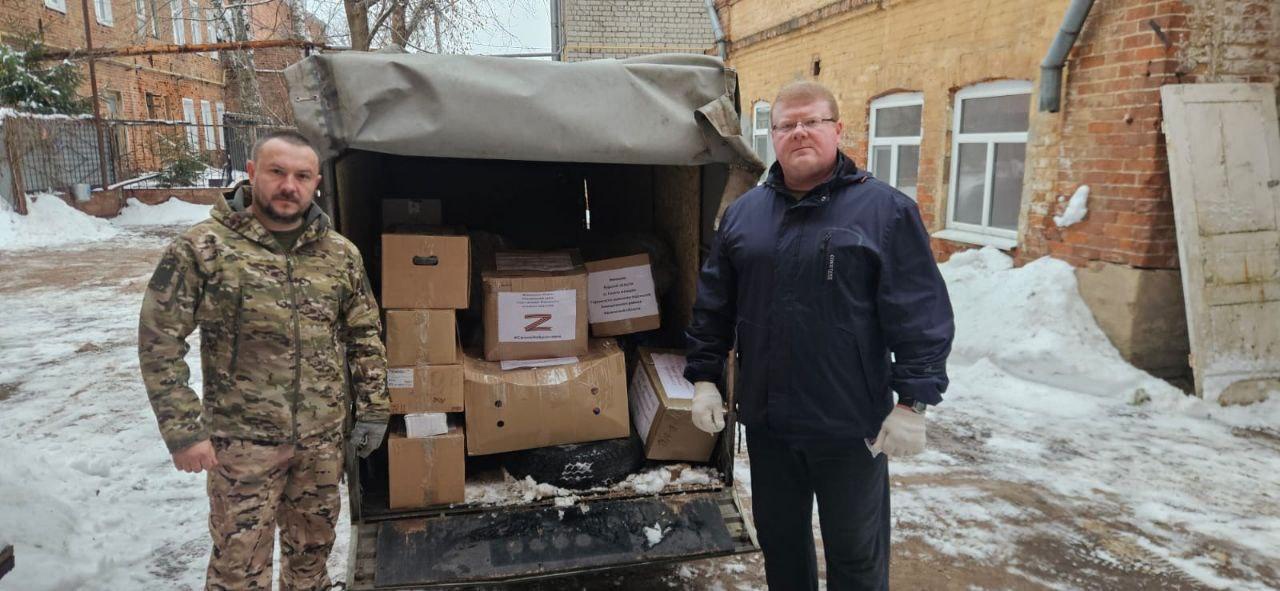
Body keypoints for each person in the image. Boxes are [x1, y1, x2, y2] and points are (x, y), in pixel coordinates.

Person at [684, 81, 954, 590]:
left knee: (855, 555)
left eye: (812, 121)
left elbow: (920, 311)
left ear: (837, 129)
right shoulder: (745, 215)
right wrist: (703, 377)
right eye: (786, 125)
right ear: (773, 136)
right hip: (769, 425)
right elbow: (714, 304)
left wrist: (913, 402)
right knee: (782, 547)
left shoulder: (884, 212)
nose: (799, 133)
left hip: (850, 428)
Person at [138, 130, 389, 590]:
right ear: (252, 174)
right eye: (277, 172)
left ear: (316, 183)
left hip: (319, 443)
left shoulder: (338, 255)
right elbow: (160, 341)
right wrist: (183, 431)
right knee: (239, 569)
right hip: (242, 448)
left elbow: (364, 333)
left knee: (312, 559)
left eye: (301, 175)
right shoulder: (203, 249)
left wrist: (373, 407)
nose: (289, 186)